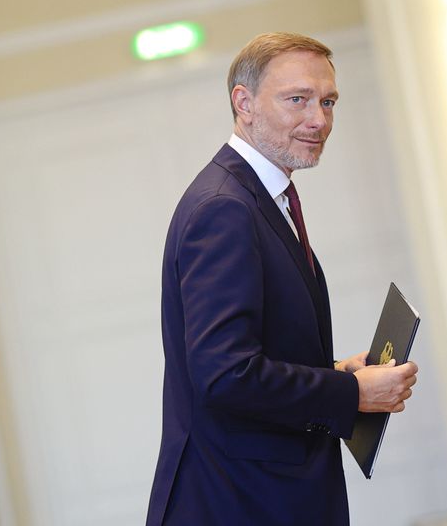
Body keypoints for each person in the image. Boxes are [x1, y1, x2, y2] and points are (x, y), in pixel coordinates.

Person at [147, 32, 419, 525]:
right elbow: (225, 375)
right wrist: (353, 395)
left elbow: (249, 356)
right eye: (298, 99)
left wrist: (338, 373)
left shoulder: (255, 198)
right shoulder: (224, 209)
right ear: (244, 102)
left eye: (328, 101)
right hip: (240, 503)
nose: (319, 120)